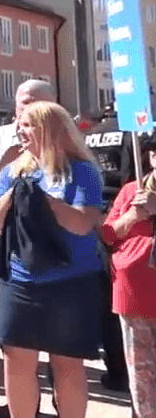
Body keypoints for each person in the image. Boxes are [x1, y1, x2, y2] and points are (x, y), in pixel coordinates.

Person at [0, 101, 107, 418]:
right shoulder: (14, 172)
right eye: (19, 125)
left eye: (28, 125)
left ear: (50, 129)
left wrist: (45, 200)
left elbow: (82, 224)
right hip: (20, 281)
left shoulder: (81, 171)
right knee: (16, 358)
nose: (20, 131)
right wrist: (15, 192)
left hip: (71, 282)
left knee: (66, 362)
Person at [102, 135, 156, 418]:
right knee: (141, 378)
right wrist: (134, 214)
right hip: (135, 293)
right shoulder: (132, 191)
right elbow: (109, 234)